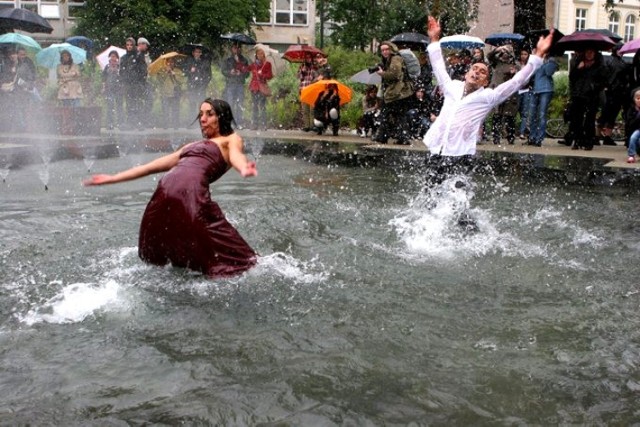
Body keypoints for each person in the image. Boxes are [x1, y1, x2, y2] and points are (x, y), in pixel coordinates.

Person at [83, 98, 258, 278]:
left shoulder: (230, 139)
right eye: (201, 114)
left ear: (222, 117)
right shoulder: (191, 146)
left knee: (221, 244)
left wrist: (243, 167)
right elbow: (151, 167)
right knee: (238, 256)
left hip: (188, 192)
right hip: (166, 189)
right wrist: (112, 178)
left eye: (209, 114)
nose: (203, 119)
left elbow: (236, 155)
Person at [423, 16, 553, 183]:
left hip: (461, 155)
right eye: (474, 69)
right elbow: (439, 68)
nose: (476, 72)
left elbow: (516, 82)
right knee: (429, 199)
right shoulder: (452, 87)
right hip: (438, 150)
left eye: (482, 72)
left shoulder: (488, 96)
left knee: (457, 202)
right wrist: (434, 39)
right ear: (466, 74)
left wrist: (537, 57)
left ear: (485, 82)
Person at [564, 48, 608, 150]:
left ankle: (588, 141)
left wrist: (594, 86)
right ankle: (577, 140)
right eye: (587, 52)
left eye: (591, 52)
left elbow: (604, 81)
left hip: (592, 96)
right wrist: (578, 68)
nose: (589, 54)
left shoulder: (599, 65)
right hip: (579, 94)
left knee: (590, 119)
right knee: (577, 119)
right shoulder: (579, 62)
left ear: (595, 53)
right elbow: (572, 78)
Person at [372, 40, 415, 144]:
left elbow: (394, 74)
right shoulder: (389, 60)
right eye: (382, 50)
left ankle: (383, 136)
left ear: (391, 49)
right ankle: (403, 138)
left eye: (387, 49)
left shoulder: (395, 58)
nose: (385, 52)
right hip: (399, 93)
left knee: (386, 114)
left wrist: (382, 73)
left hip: (398, 93)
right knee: (398, 116)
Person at [487, 44, 520, 145]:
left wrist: (515, 72)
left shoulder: (515, 64)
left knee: (510, 116)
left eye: (508, 52)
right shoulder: (496, 62)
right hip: (497, 91)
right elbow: (489, 56)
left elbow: (521, 77)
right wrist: (498, 49)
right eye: (504, 52)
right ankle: (496, 137)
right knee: (497, 116)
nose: (505, 54)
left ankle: (511, 138)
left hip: (510, 93)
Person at [597, 43, 629, 146]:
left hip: (615, 92)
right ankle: (601, 136)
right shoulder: (615, 62)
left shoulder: (617, 61)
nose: (621, 52)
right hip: (612, 91)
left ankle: (604, 136)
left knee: (610, 114)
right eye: (620, 50)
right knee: (607, 114)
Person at [527, 49, 558, 147]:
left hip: (546, 89)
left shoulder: (551, 60)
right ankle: (532, 136)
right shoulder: (534, 60)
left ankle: (539, 138)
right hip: (534, 89)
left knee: (541, 114)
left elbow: (548, 72)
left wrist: (545, 61)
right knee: (532, 114)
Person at [119, 37, 148, 129]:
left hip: (136, 83)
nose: (129, 47)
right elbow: (121, 71)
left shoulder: (139, 56)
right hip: (128, 83)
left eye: (131, 45)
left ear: (134, 45)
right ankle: (130, 122)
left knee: (138, 103)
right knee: (129, 103)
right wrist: (123, 80)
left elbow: (143, 70)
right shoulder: (124, 58)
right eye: (127, 45)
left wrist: (141, 81)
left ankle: (139, 122)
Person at [221, 43, 248, 127]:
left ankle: (239, 122)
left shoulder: (244, 60)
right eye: (234, 48)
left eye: (238, 48)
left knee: (240, 103)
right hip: (230, 84)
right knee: (230, 103)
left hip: (240, 84)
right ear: (231, 49)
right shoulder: (227, 59)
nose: (236, 50)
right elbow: (223, 71)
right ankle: (230, 121)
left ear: (240, 49)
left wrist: (241, 72)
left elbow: (247, 73)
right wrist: (230, 72)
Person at [153, 56, 185, 129]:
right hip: (165, 93)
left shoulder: (178, 71)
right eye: (168, 62)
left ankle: (176, 125)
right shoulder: (162, 71)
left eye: (172, 62)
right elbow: (159, 80)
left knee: (175, 109)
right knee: (165, 110)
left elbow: (181, 81)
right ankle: (165, 125)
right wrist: (166, 73)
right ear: (166, 63)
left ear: (174, 63)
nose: (170, 64)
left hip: (175, 93)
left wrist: (174, 75)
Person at [248, 47, 273, 130]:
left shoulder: (267, 64)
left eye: (261, 53)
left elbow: (270, 76)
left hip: (262, 87)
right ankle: (254, 125)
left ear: (264, 55)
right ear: (256, 55)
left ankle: (263, 125)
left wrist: (262, 74)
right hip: (254, 87)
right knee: (254, 106)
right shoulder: (253, 64)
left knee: (262, 106)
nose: (260, 55)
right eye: (258, 54)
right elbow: (247, 69)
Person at [101, 50, 124, 130]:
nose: (113, 58)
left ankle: (121, 124)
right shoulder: (107, 66)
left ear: (117, 57)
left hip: (118, 89)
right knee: (110, 106)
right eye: (111, 56)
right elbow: (103, 77)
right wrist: (103, 86)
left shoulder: (120, 66)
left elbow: (123, 77)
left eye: (114, 56)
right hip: (109, 89)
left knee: (119, 106)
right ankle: (110, 124)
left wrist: (118, 73)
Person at [297, 53, 317, 131]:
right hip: (303, 89)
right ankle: (306, 126)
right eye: (306, 58)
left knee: (312, 109)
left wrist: (313, 79)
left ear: (311, 59)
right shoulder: (302, 67)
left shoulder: (314, 67)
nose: (308, 59)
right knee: (305, 109)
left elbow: (316, 78)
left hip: (312, 90)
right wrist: (302, 71)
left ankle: (312, 126)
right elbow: (299, 78)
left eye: (309, 58)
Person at [517, 47, 532, 139]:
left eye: (525, 54)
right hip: (517, 90)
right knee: (514, 111)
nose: (523, 56)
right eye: (522, 54)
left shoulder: (530, 65)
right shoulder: (517, 65)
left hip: (526, 90)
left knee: (524, 112)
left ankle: (522, 132)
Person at [625, 87, 640, 163]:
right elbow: (630, 123)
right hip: (637, 129)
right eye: (638, 98)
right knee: (633, 138)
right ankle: (631, 155)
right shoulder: (632, 109)